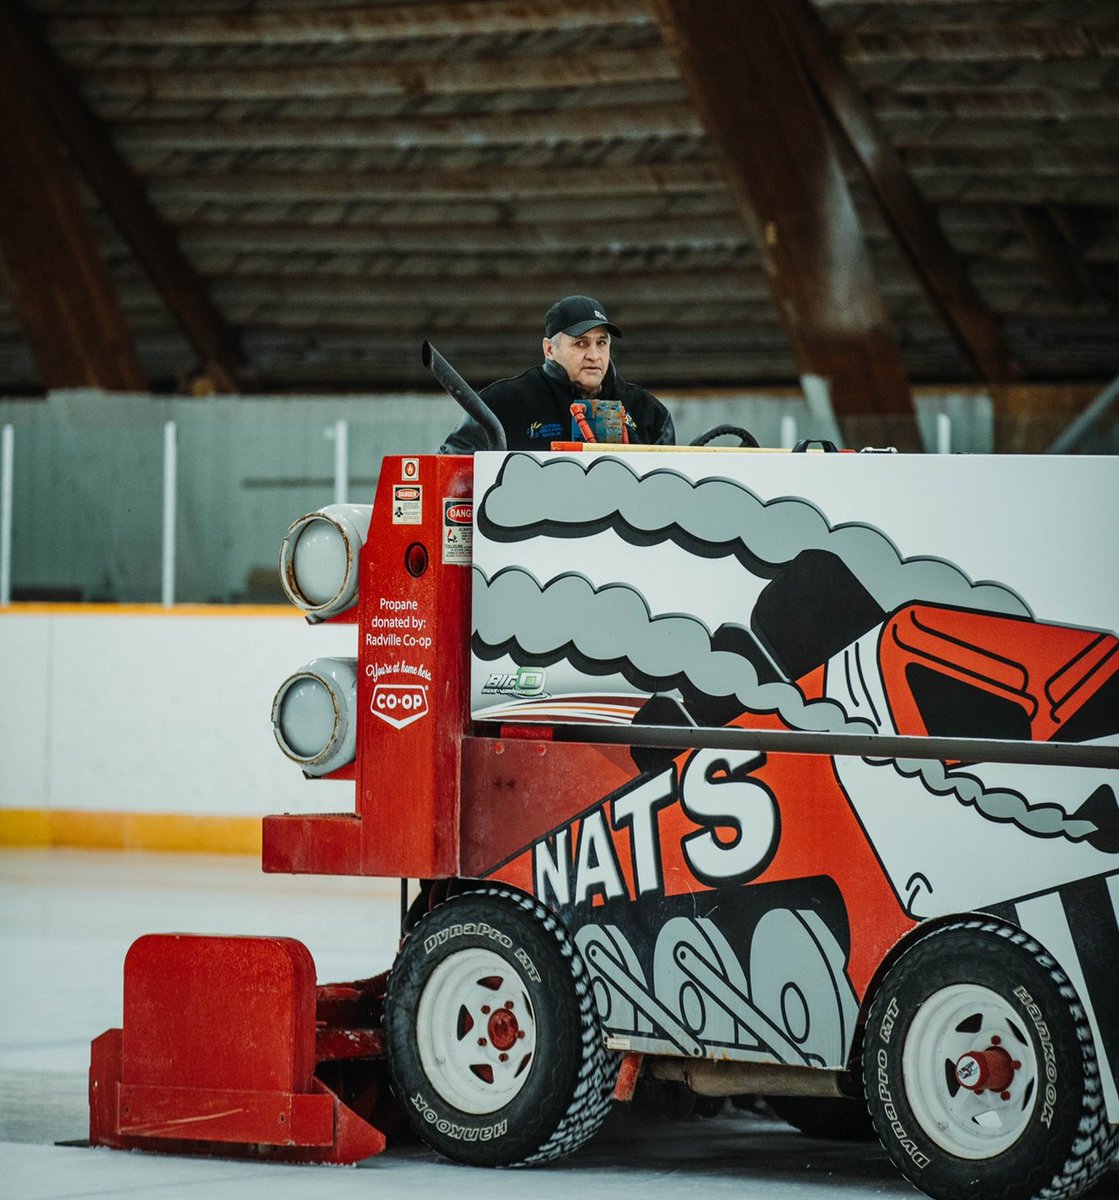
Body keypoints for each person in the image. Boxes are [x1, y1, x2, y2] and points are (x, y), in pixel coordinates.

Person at [439, 294, 675, 453]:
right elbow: (449, 468)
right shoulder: (502, 403)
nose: (594, 355)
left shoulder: (647, 412)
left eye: (601, 343)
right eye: (580, 344)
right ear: (549, 349)